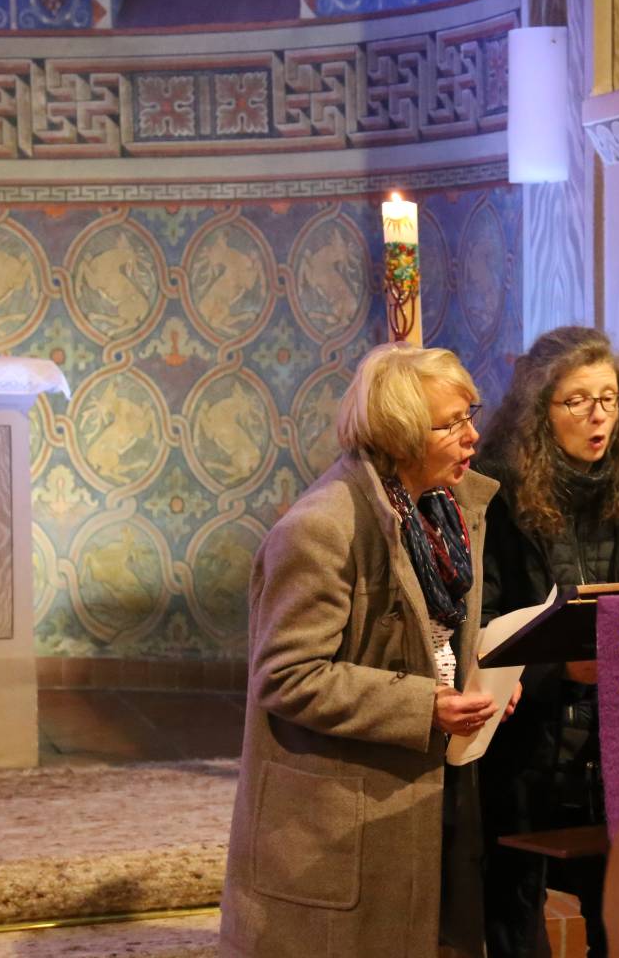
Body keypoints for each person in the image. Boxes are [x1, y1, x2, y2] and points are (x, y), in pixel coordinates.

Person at [220, 343, 515, 958]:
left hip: (432, 793)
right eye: (451, 424)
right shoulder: (321, 528)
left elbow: (433, 637)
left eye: (470, 415)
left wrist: (478, 690)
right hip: (342, 813)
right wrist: (425, 706)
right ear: (400, 436)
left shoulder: (445, 510)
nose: (472, 436)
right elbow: (286, 675)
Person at [475, 326, 619, 958]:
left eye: (609, 399)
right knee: (515, 917)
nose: (598, 416)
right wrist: (560, 671)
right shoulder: (497, 495)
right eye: (577, 401)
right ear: (540, 409)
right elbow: (482, 624)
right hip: (525, 739)